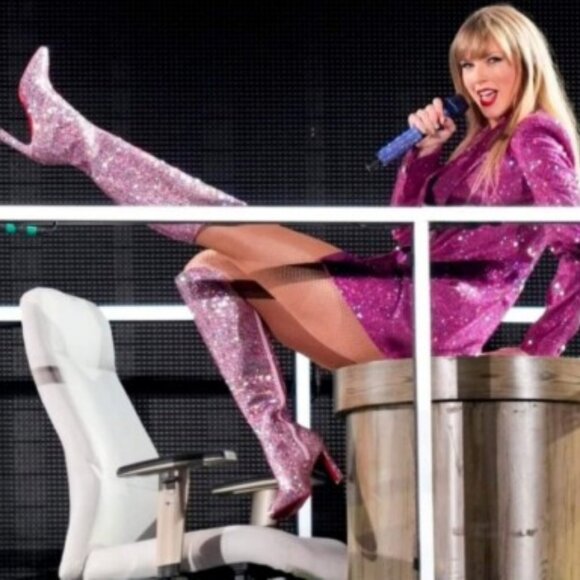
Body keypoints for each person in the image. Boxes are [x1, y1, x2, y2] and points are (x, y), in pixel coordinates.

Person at [2, 4, 580, 520]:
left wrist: (539, 348)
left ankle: (77, 141)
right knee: (209, 270)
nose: (477, 78)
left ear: (525, 62)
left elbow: (576, 241)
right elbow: (408, 235)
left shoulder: (535, 134)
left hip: (422, 317)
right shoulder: (482, 142)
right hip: (398, 290)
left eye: (493, 60)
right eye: (468, 65)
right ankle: (284, 440)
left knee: (232, 226)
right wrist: (425, 156)